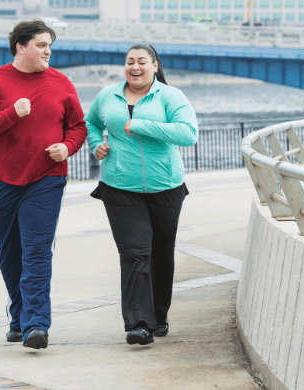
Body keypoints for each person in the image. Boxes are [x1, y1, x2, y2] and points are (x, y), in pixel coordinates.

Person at [0, 20, 87, 350]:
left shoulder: (62, 83)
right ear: (21, 46)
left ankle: (36, 325)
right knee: (10, 255)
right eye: (41, 44)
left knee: (36, 252)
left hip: (46, 179)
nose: (48, 51)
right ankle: (19, 316)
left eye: (50, 45)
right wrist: (11, 114)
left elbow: (77, 127)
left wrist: (67, 147)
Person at [86, 44, 198, 346]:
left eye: (141, 62)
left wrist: (143, 125)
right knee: (135, 253)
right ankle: (138, 323)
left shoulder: (170, 96)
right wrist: (96, 143)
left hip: (166, 185)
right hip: (119, 185)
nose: (135, 67)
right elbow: (90, 123)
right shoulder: (108, 95)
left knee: (161, 255)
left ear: (154, 65)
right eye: (129, 62)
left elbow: (189, 133)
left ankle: (158, 316)